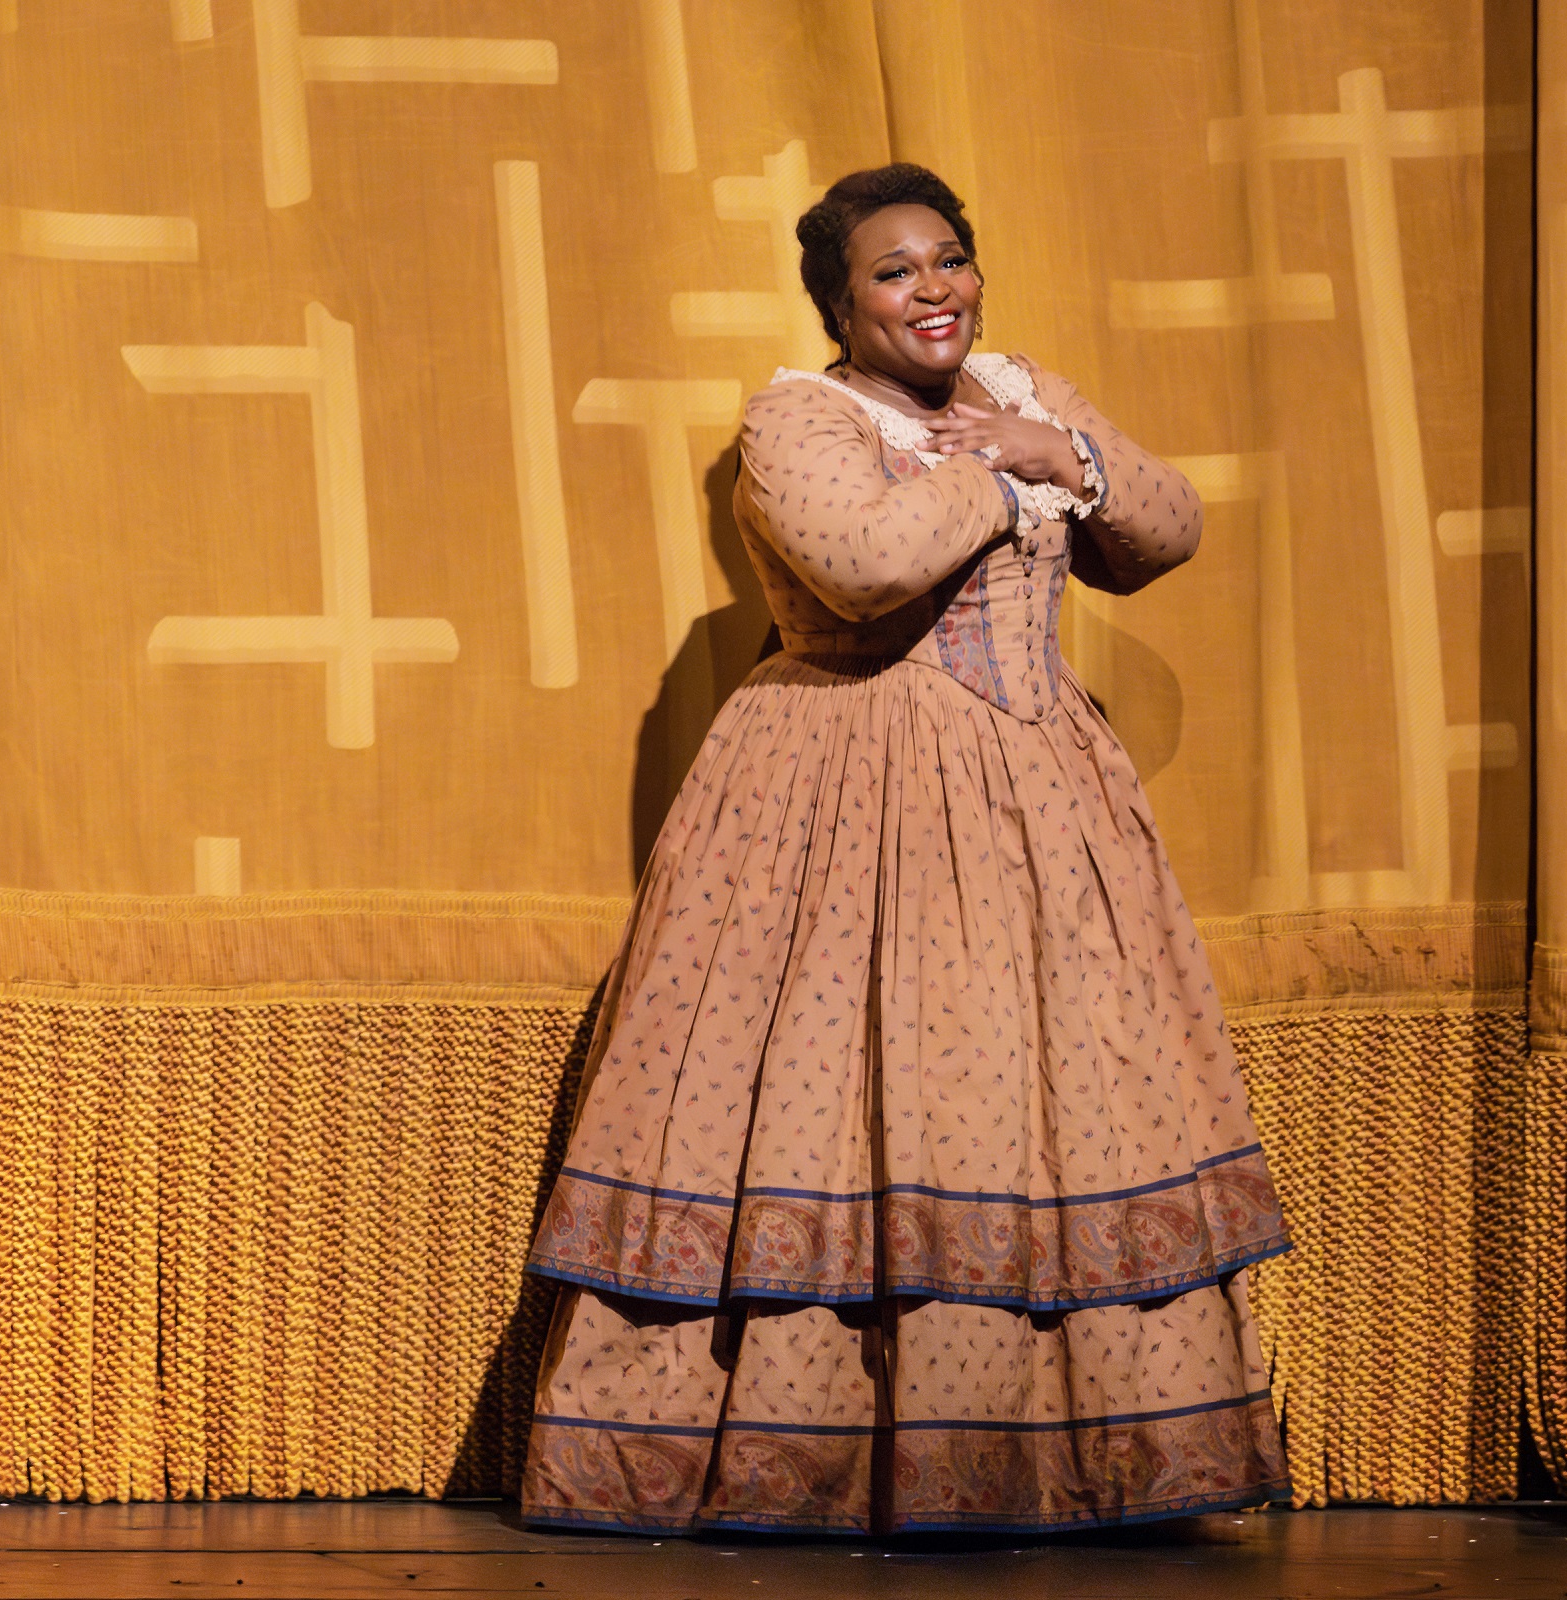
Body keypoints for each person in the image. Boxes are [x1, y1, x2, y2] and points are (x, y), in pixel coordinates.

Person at [519, 164, 1290, 1535]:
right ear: (841, 299)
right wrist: (1003, 477)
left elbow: (1167, 525)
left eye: (950, 260)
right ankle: (813, 1454)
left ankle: (1046, 1457)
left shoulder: (1021, 389)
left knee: (1041, 1105)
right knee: (839, 1103)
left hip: (1039, 802)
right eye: (894, 271)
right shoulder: (795, 419)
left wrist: (1075, 460)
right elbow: (860, 566)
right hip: (846, 792)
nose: (932, 289)